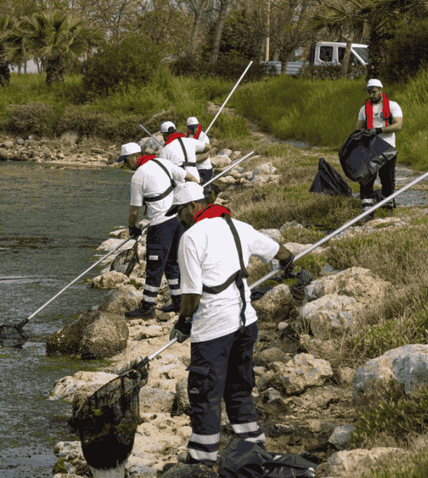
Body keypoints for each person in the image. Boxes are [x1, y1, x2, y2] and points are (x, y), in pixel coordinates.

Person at [166, 182, 295, 467]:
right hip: (246, 324)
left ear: (193, 207)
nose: (179, 219)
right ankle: (253, 452)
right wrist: (289, 265)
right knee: (239, 389)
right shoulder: (239, 226)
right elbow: (281, 253)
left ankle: (202, 461)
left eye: (179, 212)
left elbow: (192, 296)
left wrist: (183, 322)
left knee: (205, 395)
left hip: (212, 330)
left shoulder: (191, 237)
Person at [117, 142, 199, 318]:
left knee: (155, 266)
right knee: (172, 263)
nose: (124, 165)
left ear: (135, 158)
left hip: (160, 225)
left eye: (125, 161)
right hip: (178, 221)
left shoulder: (138, 177)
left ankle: (147, 307)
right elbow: (192, 178)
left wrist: (132, 227)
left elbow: (134, 211)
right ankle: (178, 302)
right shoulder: (164, 162)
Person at [354, 79, 403, 215]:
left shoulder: (393, 106)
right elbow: (358, 129)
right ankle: (367, 209)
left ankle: (387, 208)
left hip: (387, 148)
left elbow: (398, 125)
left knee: (387, 179)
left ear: (381, 90)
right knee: (366, 179)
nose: (371, 95)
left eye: (374, 92)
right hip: (369, 149)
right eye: (369, 92)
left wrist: (378, 130)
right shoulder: (364, 109)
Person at [185, 117, 214, 186]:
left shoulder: (203, 137)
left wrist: (192, 161)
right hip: (194, 169)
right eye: (191, 128)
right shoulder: (189, 137)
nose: (194, 129)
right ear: (188, 128)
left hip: (204, 169)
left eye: (195, 127)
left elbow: (206, 155)